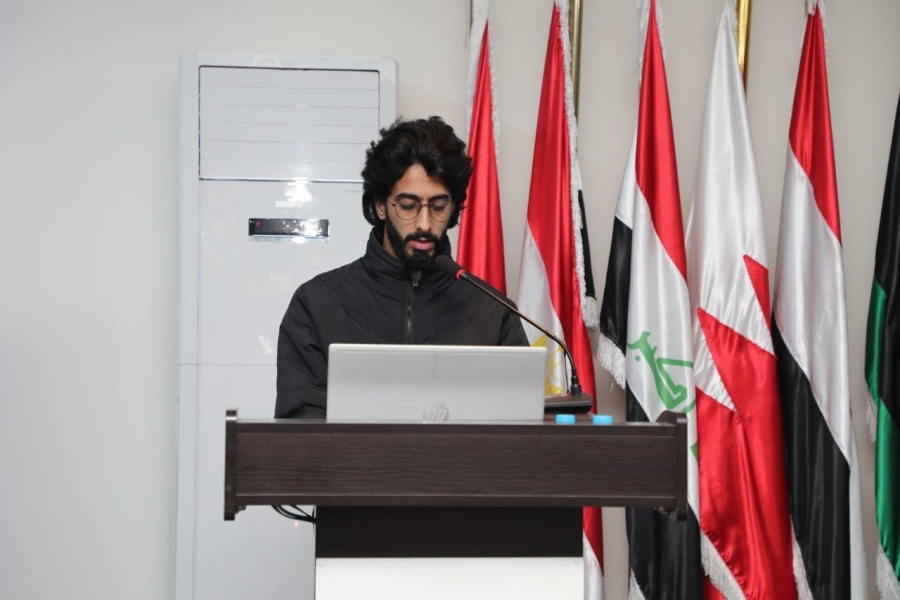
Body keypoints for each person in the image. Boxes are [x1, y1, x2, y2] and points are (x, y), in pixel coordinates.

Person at [275, 116, 528, 419]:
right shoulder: (316, 304)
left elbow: (520, 426)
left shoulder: (494, 311)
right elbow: (299, 427)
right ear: (381, 205)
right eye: (408, 206)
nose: (424, 224)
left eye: (438, 207)